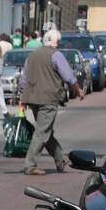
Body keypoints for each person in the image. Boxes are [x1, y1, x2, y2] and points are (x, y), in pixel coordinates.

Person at [19, 26, 84, 176]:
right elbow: (68, 76)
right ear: (56, 42)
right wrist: (78, 89)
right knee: (42, 131)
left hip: (33, 98)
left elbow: (24, 78)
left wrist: (22, 95)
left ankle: (60, 158)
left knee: (44, 130)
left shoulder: (32, 55)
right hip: (48, 98)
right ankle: (30, 164)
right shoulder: (56, 55)